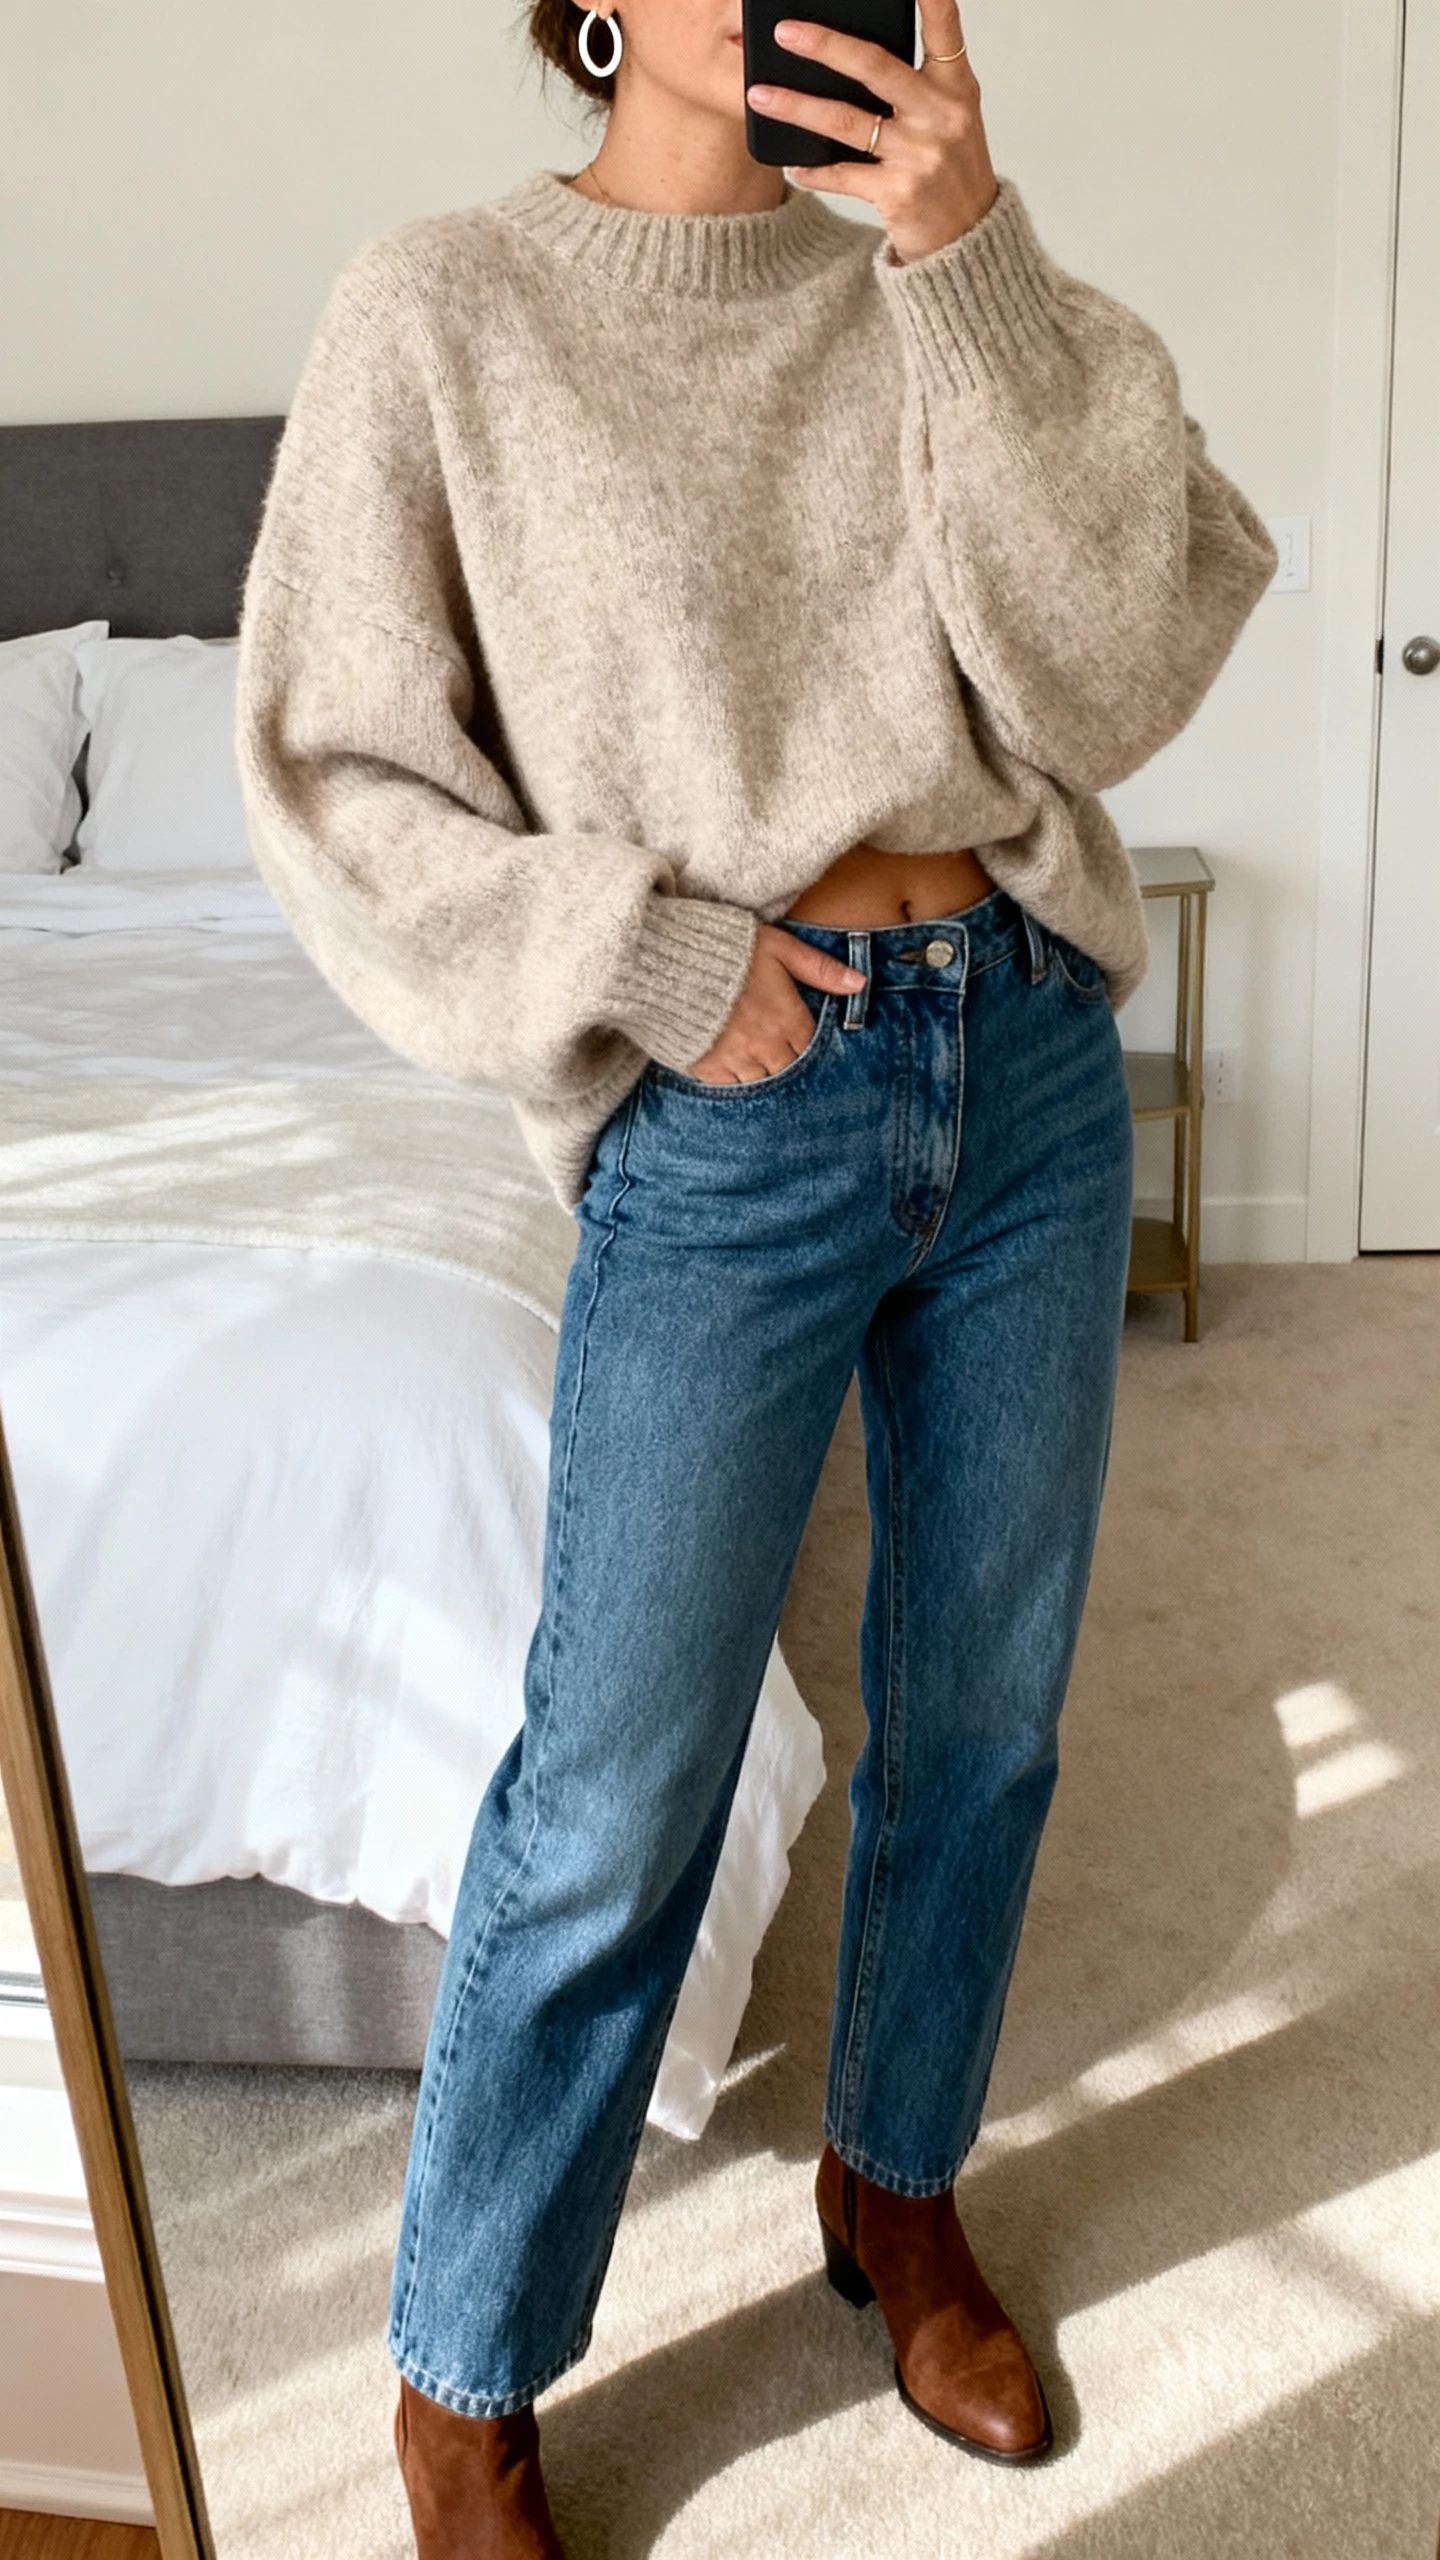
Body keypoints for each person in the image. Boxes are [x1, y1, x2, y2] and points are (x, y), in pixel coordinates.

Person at [234, 0, 1276, 2547]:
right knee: (617, 1779)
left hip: (1021, 1064)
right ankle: (465, 2367)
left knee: (987, 1710)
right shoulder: (441, 311)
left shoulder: (932, 279)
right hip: (730, 1097)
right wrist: (642, 954)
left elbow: (1119, 666)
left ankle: (893, 2186)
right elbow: (339, 763)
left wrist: (970, 258)